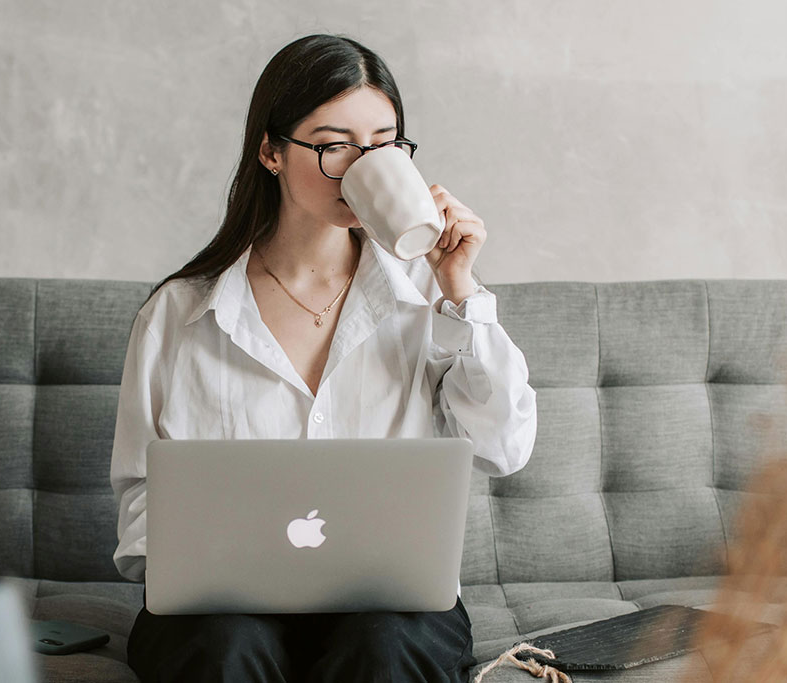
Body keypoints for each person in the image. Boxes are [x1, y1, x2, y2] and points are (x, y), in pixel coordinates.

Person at [110, 33, 538, 683]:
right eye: (334, 144)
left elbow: (505, 446)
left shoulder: (431, 299)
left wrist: (460, 290)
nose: (363, 167)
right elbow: (143, 495)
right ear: (271, 151)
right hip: (223, 609)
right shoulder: (179, 313)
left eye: (384, 144)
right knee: (224, 648)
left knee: (383, 647)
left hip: (388, 605)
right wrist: (192, 565)